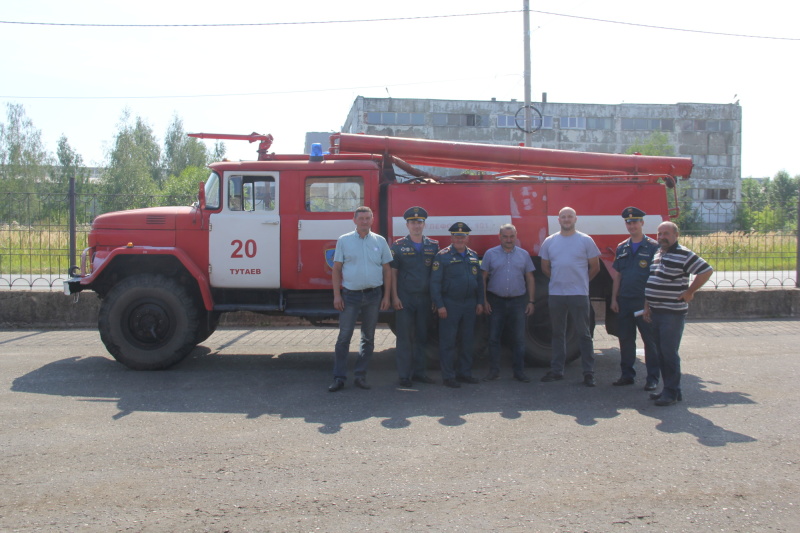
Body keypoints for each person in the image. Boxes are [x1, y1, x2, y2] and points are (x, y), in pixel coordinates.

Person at [643, 221, 713, 406]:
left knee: (669, 353)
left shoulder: (684, 254)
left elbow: (706, 270)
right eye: (659, 234)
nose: (662, 237)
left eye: (666, 233)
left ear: (676, 235)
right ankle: (671, 390)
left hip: (671, 313)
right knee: (661, 353)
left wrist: (690, 291)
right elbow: (653, 281)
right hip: (657, 311)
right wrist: (648, 306)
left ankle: (671, 392)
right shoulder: (659, 253)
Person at [329, 206, 393, 392]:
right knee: (344, 338)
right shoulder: (344, 240)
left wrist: (386, 295)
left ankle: (360, 375)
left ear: (372, 220)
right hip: (350, 296)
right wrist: (337, 295)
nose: (365, 221)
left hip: (374, 295)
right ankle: (339, 378)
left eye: (368, 218)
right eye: (361, 218)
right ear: (354, 220)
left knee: (368, 337)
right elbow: (336, 269)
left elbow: (387, 270)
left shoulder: (380, 241)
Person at [539, 207, 601, 387]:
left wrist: (582, 282)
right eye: (563, 217)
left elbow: (595, 267)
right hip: (557, 294)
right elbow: (545, 267)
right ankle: (557, 370)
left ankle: (589, 372)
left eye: (570, 217)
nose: (566, 220)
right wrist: (559, 280)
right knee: (557, 333)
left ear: (576, 219)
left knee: (584, 334)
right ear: (558, 220)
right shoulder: (550, 241)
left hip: (578, 294)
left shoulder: (585, 240)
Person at [610, 206, 660, 390]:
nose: (631, 226)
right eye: (628, 222)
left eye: (635, 222)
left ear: (642, 223)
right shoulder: (622, 247)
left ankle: (653, 378)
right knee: (625, 339)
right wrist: (614, 299)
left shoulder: (654, 247)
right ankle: (627, 375)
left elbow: (656, 277)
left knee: (649, 340)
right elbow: (618, 276)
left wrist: (650, 303)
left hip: (643, 301)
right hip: (624, 300)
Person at [429, 222, 485, 388]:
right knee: (448, 342)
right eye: (456, 236)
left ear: (467, 238)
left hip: (469, 304)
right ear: (451, 237)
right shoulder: (442, 256)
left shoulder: (473, 256)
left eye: (463, 236)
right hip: (450, 304)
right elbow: (435, 283)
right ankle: (448, 376)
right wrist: (440, 305)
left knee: (467, 341)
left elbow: (479, 282)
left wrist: (480, 301)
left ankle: (465, 373)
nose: (460, 239)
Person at [390, 206, 440, 388]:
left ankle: (420, 373)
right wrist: (394, 297)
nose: (416, 225)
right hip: (405, 298)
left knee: (422, 337)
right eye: (412, 222)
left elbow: (436, 276)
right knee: (404, 337)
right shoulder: (398, 246)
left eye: (419, 222)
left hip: (425, 299)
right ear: (407, 225)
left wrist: (435, 299)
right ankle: (404, 375)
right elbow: (393, 273)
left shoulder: (433, 246)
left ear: (424, 224)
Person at [481, 224, 536, 383]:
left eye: (511, 236)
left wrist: (531, 301)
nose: (509, 240)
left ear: (516, 236)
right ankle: (494, 372)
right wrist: (483, 300)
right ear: (500, 237)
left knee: (518, 339)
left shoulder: (524, 255)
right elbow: (483, 277)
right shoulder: (490, 254)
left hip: (518, 302)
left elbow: (530, 278)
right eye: (505, 236)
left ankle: (519, 372)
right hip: (495, 301)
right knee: (493, 338)